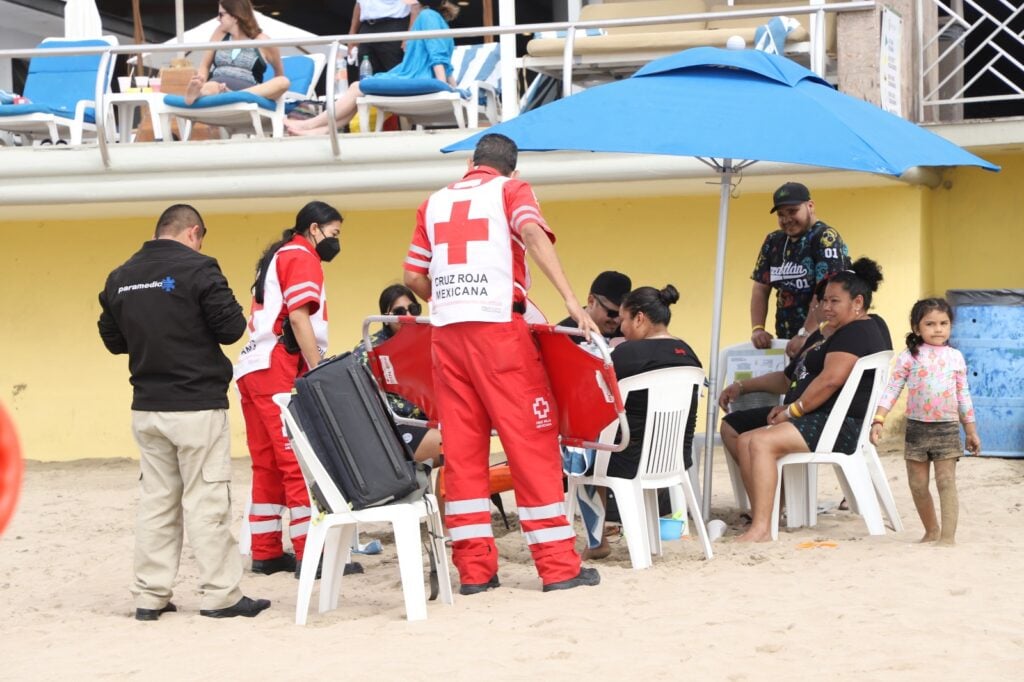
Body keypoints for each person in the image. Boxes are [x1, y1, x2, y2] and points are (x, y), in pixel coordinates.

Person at [403, 133, 601, 594]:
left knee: (464, 451)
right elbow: (531, 234)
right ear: (512, 168)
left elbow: (414, 276)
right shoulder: (513, 190)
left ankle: (474, 573)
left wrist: (452, 296)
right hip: (499, 333)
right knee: (530, 442)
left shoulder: (432, 202)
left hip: (447, 335)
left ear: (470, 162)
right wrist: (572, 301)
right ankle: (559, 568)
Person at [97, 204, 270, 621]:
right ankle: (221, 596)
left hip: (147, 408)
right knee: (207, 500)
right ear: (193, 232)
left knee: (156, 502)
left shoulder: (120, 276)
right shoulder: (201, 267)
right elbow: (231, 329)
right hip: (197, 405)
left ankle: (149, 597)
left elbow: (112, 338)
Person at [234, 201, 354, 579]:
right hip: (279, 367)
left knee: (266, 463)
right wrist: (317, 371)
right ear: (314, 229)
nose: (335, 242)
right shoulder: (302, 256)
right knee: (297, 463)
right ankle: (310, 552)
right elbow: (299, 316)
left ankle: (267, 551)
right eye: (333, 234)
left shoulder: (275, 256)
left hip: (253, 366)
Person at [733, 257, 889, 542]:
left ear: (857, 302)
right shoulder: (852, 329)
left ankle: (762, 529)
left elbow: (830, 380)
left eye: (834, 301)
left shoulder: (855, 332)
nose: (825, 307)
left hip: (841, 426)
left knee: (759, 441)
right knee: (744, 439)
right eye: (824, 301)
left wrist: (792, 410)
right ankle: (764, 520)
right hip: (829, 420)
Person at [583, 284, 702, 559]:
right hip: (675, 458)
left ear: (639, 318)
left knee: (581, 456)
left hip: (629, 459)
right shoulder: (688, 353)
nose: (620, 329)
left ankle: (596, 541)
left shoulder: (625, 355)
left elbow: (595, 397)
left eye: (623, 320)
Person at [870, 298, 981, 545]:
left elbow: (964, 396)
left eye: (944, 323)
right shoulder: (909, 357)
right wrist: (879, 419)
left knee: (945, 481)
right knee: (918, 485)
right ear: (917, 328)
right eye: (930, 324)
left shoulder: (955, 357)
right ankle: (931, 530)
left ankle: (947, 538)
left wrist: (971, 431)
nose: (938, 329)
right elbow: (892, 388)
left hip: (947, 428)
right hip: (917, 429)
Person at [286, 0, 458, 136]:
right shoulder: (430, 17)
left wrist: (443, 86)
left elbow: (438, 56)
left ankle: (310, 124)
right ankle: (320, 129)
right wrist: (452, 85)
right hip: (412, 76)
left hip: (416, 79)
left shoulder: (428, 16)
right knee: (358, 88)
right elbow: (443, 59)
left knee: (357, 87)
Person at [750, 182, 851, 358]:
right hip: (785, 340)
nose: (787, 219)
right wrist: (758, 329)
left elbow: (826, 293)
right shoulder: (773, 241)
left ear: (810, 206)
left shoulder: (825, 238)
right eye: (781, 214)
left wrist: (806, 333)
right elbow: (760, 287)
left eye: (793, 211)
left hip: (823, 338)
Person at [352, 284, 442, 465]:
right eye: (399, 311)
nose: (407, 316)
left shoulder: (431, 339)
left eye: (413, 309)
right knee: (455, 446)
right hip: (395, 429)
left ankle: (456, 494)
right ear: (385, 318)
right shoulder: (370, 350)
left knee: (467, 439)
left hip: (428, 422)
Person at [184, 1, 290, 105]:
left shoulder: (264, 42)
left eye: (221, 14)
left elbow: (279, 74)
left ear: (235, 16)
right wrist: (200, 80)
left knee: (283, 82)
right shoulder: (220, 33)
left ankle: (234, 96)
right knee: (211, 86)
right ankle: (198, 93)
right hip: (218, 86)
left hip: (250, 91)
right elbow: (205, 66)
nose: (217, 19)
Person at [556, 270, 632, 345]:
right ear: (591, 301)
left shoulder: (627, 331)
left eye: (621, 314)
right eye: (612, 313)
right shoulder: (565, 335)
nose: (617, 320)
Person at [348, 0, 422, 76]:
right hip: (366, 27)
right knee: (366, 74)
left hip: (393, 26)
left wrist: (410, 35)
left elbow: (415, 6)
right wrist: (352, 33)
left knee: (395, 74)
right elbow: (359, 3)